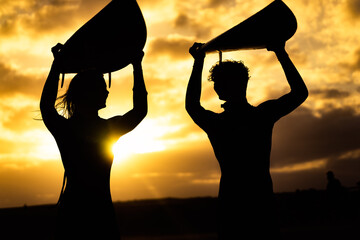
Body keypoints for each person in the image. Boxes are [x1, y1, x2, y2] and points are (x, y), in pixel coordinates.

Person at [185, 42, 308, 239]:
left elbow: (192, 105)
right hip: (261, 201)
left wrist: (198, 62)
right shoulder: (262, 115)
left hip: (231, 202)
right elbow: (300, 93)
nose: (216, 87)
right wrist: (280, 51)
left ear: (220, 89)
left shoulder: (218, 123)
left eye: (218, 83)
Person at [40, 43, 148, 239]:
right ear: (86, 93)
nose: (107, 92)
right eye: (101, 87)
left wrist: (57, 66)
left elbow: (46, 107)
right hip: (92, 214)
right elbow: (140, 111)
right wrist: (136, 66)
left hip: (81, 212)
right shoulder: (104, 129)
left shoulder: (67, 129)